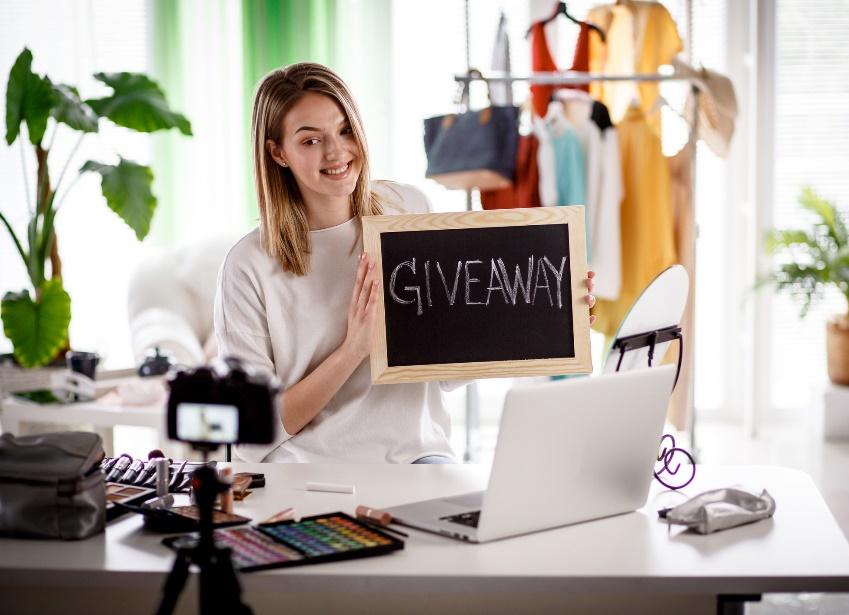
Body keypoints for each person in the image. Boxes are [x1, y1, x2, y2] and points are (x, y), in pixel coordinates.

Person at [215, 63, 596, 464]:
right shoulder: (249, 266)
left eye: (345, 130)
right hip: (310, 472)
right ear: (278, 153)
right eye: (310, 141)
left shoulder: (406, 210)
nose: (336, 152)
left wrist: (550, 318)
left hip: (419, 458)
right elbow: (250, 438)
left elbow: (443, 373)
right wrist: (353, 350)